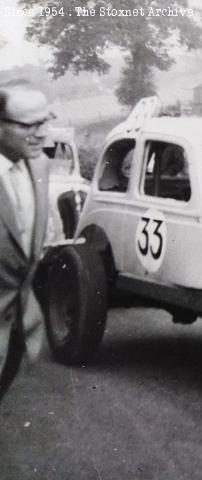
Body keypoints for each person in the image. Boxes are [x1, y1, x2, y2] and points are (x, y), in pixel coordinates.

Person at [0, 81, 51, 400]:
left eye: (44, 121)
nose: (41, 133)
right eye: (28, 124)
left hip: (17, 326)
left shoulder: (40, 165)